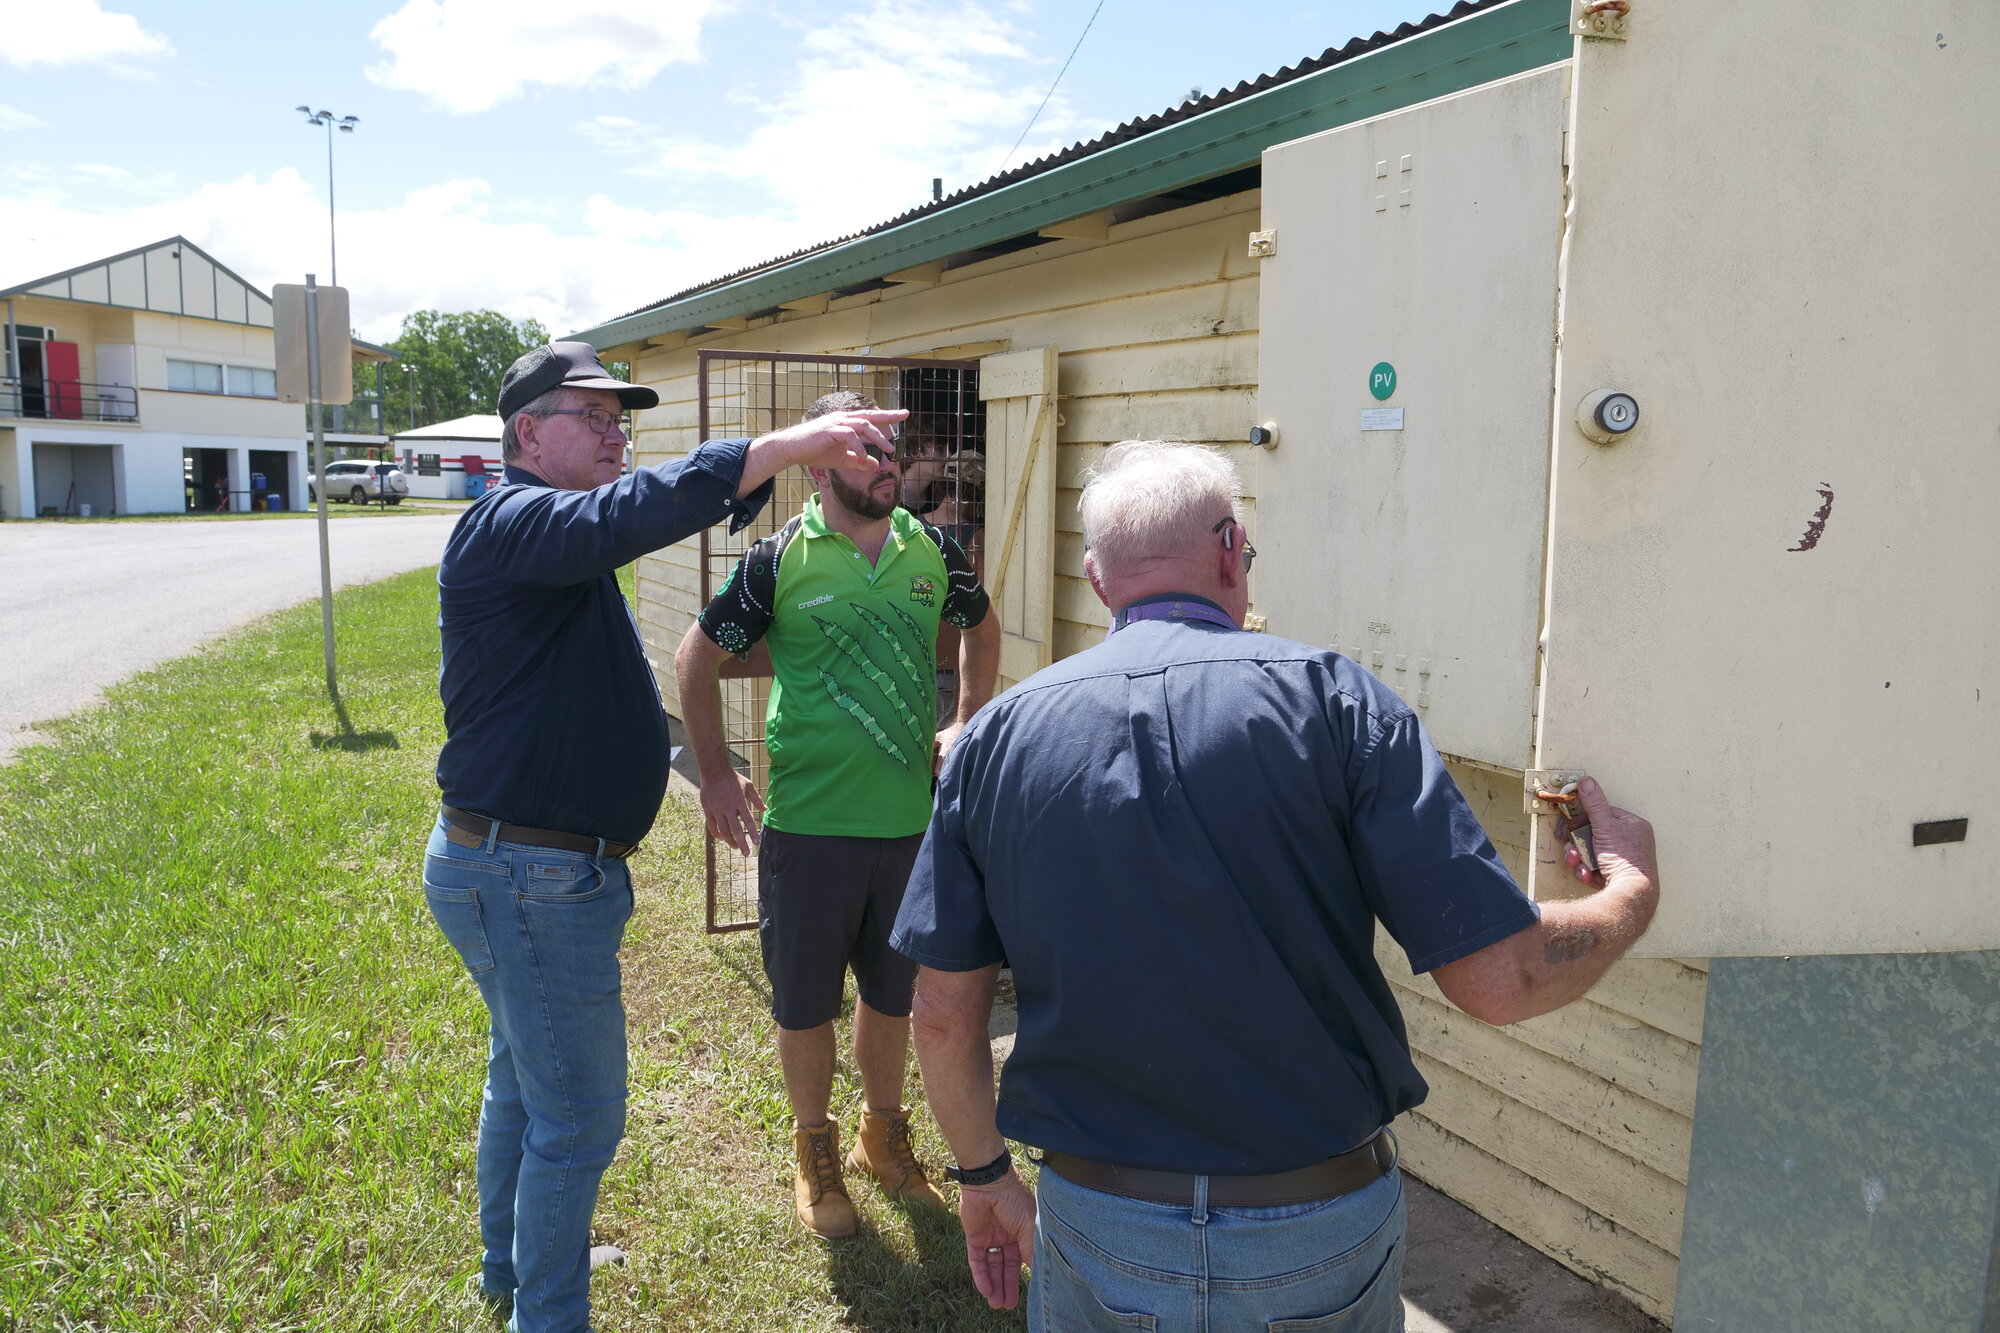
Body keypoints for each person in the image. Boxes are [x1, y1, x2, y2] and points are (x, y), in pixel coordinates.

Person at [893, 440, 1661, 1330]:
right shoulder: (1341, 706)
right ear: (1230, 550)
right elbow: (1504, 979)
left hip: (1104, 1222)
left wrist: (985, 1175)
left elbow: (945, 1012)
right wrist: (1629, 893)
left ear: (1102, 582)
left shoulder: (997, 739)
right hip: (1316, 1230)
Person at [423, 342, 904, 1333]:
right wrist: (780, 447)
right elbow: (626, 513)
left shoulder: (545, 538)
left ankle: (510, 1272)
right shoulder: (508, 522)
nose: (615, 432)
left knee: (521, 1081)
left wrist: (744, 481)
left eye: (620, 418)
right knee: (577, 1118)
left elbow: (630, 516)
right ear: (526, 433)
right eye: (591, 416)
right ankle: (546, 1314)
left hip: (525, 866)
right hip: (528, 873)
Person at [676, 390, 1001, 1240]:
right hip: (808, 828)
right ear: (818, 466)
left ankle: (880, 1139)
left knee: (892, 997)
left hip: (905, 828)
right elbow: (695, 658)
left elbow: (981, 623)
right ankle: (813, 1148)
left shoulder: (931, 548)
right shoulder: (778, 559)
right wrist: (713, 773)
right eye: (863, 449)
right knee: (804, 1004)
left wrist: (966, 713)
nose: (887, 464)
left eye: (892, 450)